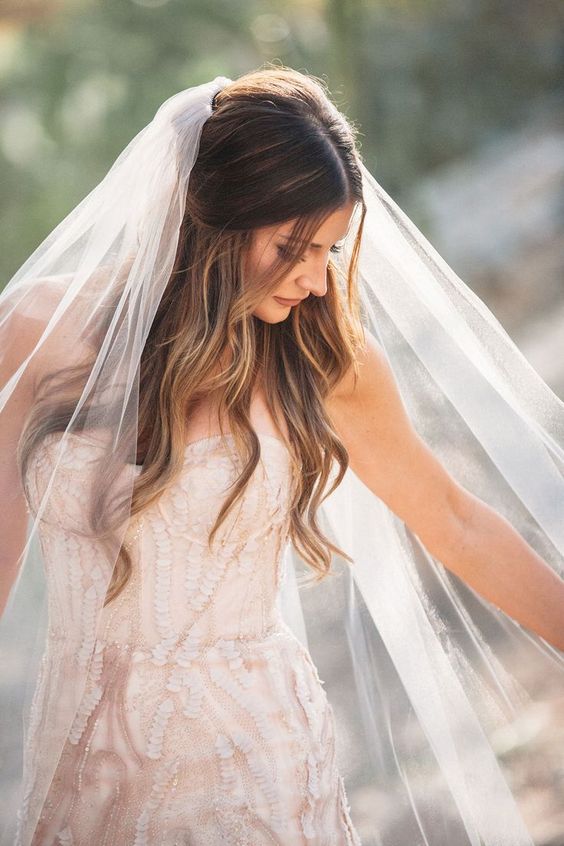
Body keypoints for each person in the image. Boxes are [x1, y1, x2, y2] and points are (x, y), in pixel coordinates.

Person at [1, 65, 563, 846]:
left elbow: (456, 521)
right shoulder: (34, 333)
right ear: (214, 220)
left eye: (329, 249)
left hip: (250, 753)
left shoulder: (324, 361)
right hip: (77, 752)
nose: (312, 277)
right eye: (291, 247)